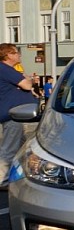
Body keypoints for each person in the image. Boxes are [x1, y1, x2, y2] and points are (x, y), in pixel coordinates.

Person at [0, 44, 38, 189]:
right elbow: (27, 85)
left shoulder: (7, 70)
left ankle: (19, 176)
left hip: (18, 115)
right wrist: (29, 80)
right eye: (16, 53)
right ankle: (2, 180)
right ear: (8, 55)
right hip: (13, 115)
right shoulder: (5, 69)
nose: (19, 55)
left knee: (23, 149)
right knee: (9, 149)